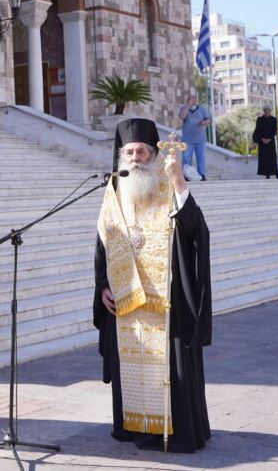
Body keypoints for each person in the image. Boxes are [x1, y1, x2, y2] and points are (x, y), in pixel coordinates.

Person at [92, 118, 212, 453]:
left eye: (141, 152)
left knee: (171, 373)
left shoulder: (168, 185)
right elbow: (103, 246)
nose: (134, 158)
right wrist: (103, 285)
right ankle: (132, 427)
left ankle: (177, 433)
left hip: (165, 301)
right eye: (128, 152)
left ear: (152, 154)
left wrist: (178, 181)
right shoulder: (113, 192)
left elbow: (195, 232)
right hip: (125, 300)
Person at [178, 95, 211, 180]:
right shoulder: (183, 108)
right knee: (186, 158)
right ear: (187, 100)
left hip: (200, 139)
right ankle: (186, 175)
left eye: (194, 99)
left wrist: (203, 122)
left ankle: (202, 175)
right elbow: (182, 116)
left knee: (201, 158)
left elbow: (208, 119)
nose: (192, 101)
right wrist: (188, 106)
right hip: (187, 139)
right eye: (190, 99)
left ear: (196, 100)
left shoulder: (202, 109)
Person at [252, 106, 278, 179]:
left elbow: (274, 130)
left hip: (271, 142)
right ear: (264, 111)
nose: (267, 112)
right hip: (262, 142)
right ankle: (267, 175)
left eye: (268, 111)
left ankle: (277, 174)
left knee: (273, 158)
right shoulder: (259, 119)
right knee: (264, 158)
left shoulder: (274, 119)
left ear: (270, 111)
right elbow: (258, 130)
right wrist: (262, 139)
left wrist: (269, 139)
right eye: (266, 111)